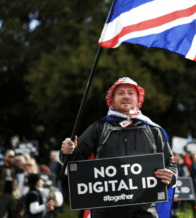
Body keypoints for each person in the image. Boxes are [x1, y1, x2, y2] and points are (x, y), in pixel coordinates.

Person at [60, 77, 177, 218]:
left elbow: (171, 163)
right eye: (121, 93)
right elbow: (71, 159)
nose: (126, 96)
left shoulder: (154, 130)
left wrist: (171, 176)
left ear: (138, 99)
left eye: (130, 93)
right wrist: (67, 150)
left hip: (145, 212)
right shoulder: (98, 128)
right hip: (105, 212)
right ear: (112, 99)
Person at [0, 150, 25, 218]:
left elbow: (22, 170)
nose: (11, 158)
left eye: (12, 157)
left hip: (12, 194)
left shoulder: (14, 167)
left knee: (13, 214)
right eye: (10, 157)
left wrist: (19, 162)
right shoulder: (1, 167)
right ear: (5, 157)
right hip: (2, 194)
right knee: (2, 215)